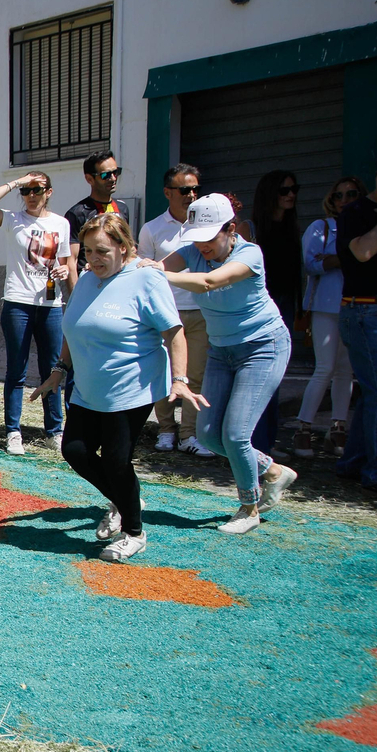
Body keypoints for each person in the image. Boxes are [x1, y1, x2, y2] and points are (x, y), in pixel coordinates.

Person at [31, 215, 203, 562]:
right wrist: (58, 371)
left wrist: (180, 379)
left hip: (130, 388)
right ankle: (126, 500)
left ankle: (134, 533)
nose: (94, 259)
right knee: (75, 451)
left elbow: (174, 332)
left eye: (102, 251)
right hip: (88, 387)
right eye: (88, 251)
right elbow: (74, 329)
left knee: (115, 460)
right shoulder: (86, 281)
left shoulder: (146, 278)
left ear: (124, 247)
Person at [158, 194, 299, 532]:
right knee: (208, 435)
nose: (202, 246)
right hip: (221, 351)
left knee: (235, 435)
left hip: (263, 347)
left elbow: (209, 282)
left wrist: (159, 273)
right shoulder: (193, 251)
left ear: (230, 229)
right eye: (197, 238)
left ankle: (249, 509)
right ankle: (274, 472)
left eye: (209, 237)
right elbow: (158, 268)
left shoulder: (251, 254)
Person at [0, 171, 71, 455]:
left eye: (37, 190)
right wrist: (15, 182)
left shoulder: (61, 224)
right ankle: (13, 432)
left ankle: (54, 431)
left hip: (50, 304)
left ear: (49, 192)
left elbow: (65, 261)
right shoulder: (13, 220)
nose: (31, 196)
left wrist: (64, 271)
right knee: (16, 369)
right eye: (26, 191)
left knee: (52, 369)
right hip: (18, 302)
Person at [138, 164, 215, 457]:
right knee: (164, 372)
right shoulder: (152, 228)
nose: (191, 195)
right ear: (168, 192)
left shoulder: (205, 227)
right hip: (165, 313)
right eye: (184, 190)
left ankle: (189, 435)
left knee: (195, 376)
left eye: (196, 189)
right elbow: (144, 270)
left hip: (200, 311)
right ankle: (166, 430)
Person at [294, 177, 363, 458]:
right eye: (339, 195)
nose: (344, 200)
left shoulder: (366, 227)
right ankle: (303, 429)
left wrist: (332, 258)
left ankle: (337, 429)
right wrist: (347, 256)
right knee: (324, 367)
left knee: (346, 371)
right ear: (331, 200)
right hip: (325, 306)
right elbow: (312, 264)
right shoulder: (320, 227)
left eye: (352, 194)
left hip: (356, 304)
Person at [335, 151, 377, 494]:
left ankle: (353, 462)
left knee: (374, 393)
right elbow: (363, 252)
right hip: (366, 312)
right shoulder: (354, 213)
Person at [65, 150, 131, 275]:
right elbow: (71, 261)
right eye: (105, 175)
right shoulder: (77, 213)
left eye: (116, 172)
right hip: (90, 278)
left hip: (119, 278)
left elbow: (128, 247)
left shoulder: (123, 208)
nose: (113, 178)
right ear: (89, 179)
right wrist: (77, 288)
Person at [251, 170, 303, 327]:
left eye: (294, 189)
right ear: (270, 193)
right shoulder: (251, 228)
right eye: (284, 191)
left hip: (286, 299)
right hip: (260, 300)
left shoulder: (291, 227)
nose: (291, 195)